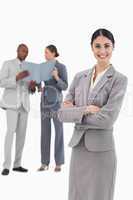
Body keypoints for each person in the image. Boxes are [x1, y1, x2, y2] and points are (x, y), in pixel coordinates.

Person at [60, 29, 128, 200]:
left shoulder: (119, 79)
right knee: (76, 196)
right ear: (91, 48)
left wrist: (74, 111)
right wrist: (85, 109)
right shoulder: (79, 77)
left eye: (107, 46)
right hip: (78, 148)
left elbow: (107, 119)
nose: (102, 51)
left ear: (113, 47)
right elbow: (61, 114)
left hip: (101, 151)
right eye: (97, 46)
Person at [0, 44, 35, 175]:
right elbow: (1, 82)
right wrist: (16, 78)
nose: (24, 53)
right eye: (22, 50)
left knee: (22, 136)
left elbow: (30, 89)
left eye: (27, 51)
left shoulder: (30, 68)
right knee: (10, 132)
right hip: (11, 104)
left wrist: (32, 86)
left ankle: (17, 164)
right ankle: (6, 166)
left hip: (24, 105)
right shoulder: (8, 64)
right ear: (17, 51)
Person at [37, 45, 68, 172]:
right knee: (44, 133)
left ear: (54, 53)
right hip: (44, 102)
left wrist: (56, 76)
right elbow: (39, 83)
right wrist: (39, 86)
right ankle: (44, 163)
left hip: (56, 103)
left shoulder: (61, 67)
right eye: (44, 53)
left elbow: (65, 86)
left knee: (59, 132)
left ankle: (59, 163)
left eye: (47, 52)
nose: (45, 55)